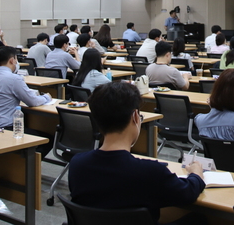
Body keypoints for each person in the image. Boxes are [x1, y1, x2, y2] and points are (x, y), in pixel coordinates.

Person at [68, 82, 205, 224]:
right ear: (135, 116)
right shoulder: (151, 172)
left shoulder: (77, 164)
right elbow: (188, 193)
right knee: (198, 220)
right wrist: (196, 174)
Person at [0, 46, 53, 154]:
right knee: (48, 139)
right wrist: (46, 97)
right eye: (16, 59)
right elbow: (32, 101)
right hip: (7, 126)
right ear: (12, 60)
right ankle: (28, 166)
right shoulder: (14, 78)